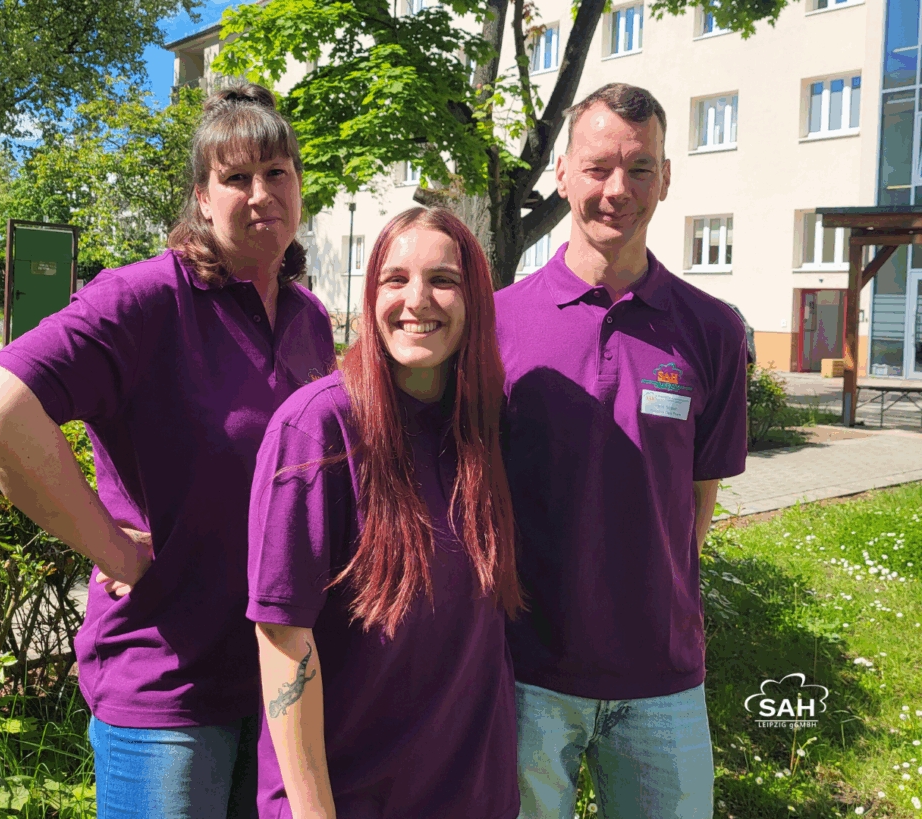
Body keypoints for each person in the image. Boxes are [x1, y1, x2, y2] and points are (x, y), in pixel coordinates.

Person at [0, 85, 336, 819]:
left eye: (278, 172)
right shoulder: (143, 299)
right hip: (167, 691)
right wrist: (113, 548)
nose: (262, 194)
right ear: (201, 195)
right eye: (236, 177)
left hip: (279, 682)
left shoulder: (309, 320)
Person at [495, 83, 748, 819]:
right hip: (525, 672)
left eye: (640, 169)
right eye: (599, 167)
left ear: (667, 178)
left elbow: (698, 497)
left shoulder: (712, 329)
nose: (618, 189)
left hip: (662, 679)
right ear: (564, 175)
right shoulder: (499, 323)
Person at [246, 206, 524, 819]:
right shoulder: (316, 428)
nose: (416, 300)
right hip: (347, 798)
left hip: (472, 796)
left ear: (475, 298)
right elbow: (282, 637)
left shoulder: (489, 425)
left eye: (443, 280)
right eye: (394, 279)